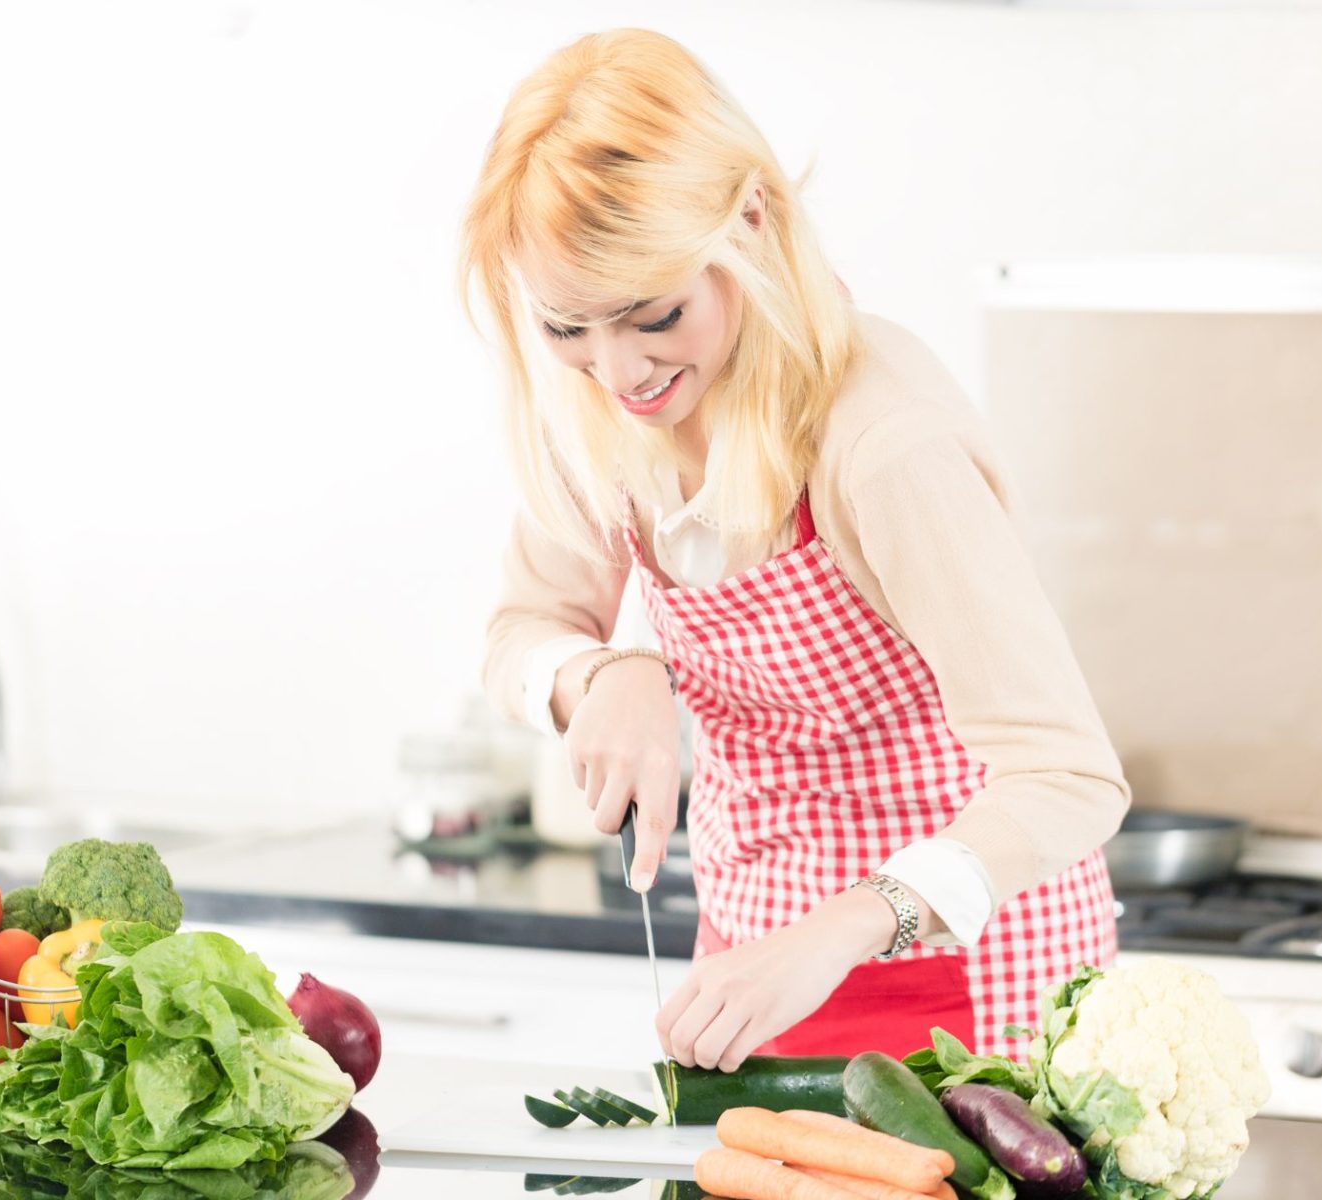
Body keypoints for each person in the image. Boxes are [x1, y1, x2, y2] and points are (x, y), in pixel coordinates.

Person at [459, 28, 1129, 1072]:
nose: (616, 370)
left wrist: (837, 934)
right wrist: (601, 674)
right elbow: (518, 632)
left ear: (750, 222)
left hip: (965, 987)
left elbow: (1067, 776)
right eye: (566, 328)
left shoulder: (878, 440)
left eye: (654, 315)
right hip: (747, 973)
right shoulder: (597, 408)